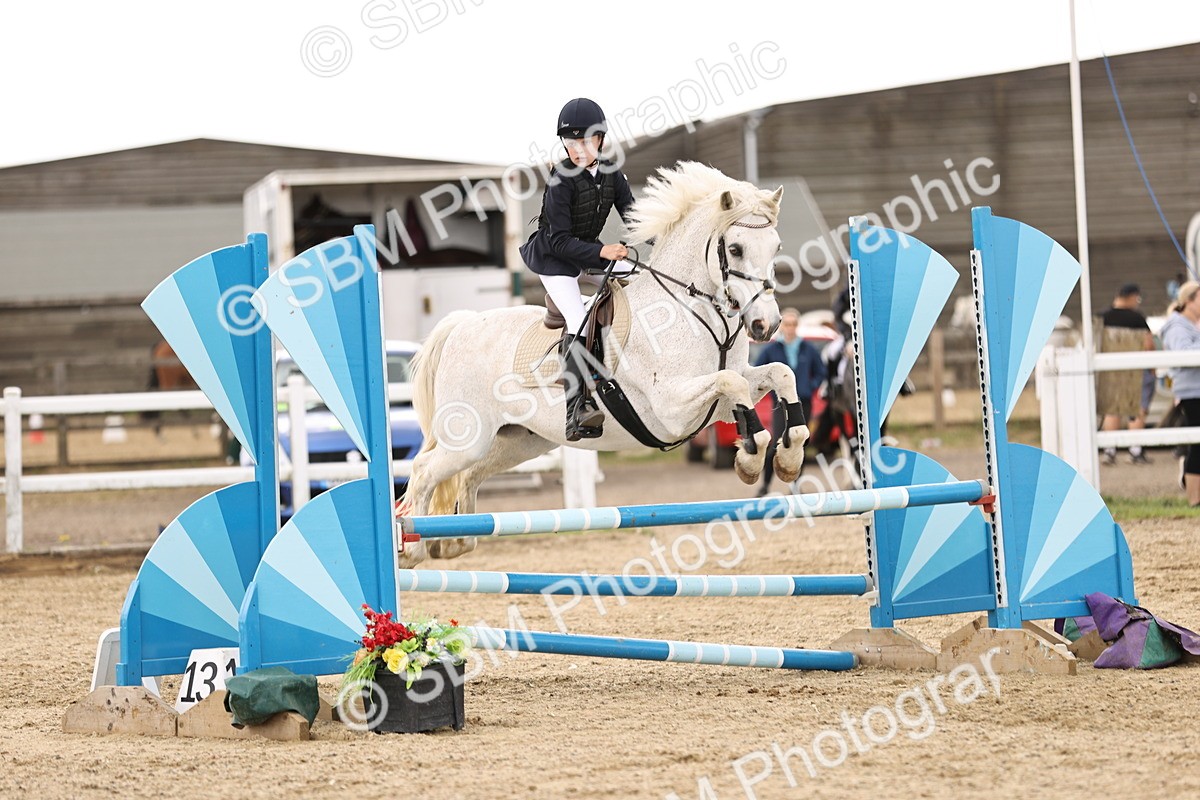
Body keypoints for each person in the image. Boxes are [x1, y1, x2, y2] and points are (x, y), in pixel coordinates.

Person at [519, 97, 636, 441]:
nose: (577, 149)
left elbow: (634, 217)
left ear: (599, 140)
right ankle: (576, 410)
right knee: (578, 319)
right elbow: (558, 242)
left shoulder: (612, 173)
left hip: (586, 256)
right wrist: (603, 251)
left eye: (584, 141)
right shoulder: (561, 180)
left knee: (640, 278)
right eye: (570, 143)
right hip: (555, 260)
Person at [754, 309, 827, 496]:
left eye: (794, 324)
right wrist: (770, 389)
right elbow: (758, 372)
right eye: (787, 324)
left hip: (804, 403)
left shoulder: (808, 348)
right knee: (777, 443)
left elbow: (821, 372)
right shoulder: (771, 349)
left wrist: (810, 386)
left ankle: (795, 486)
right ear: (781, 326)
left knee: (799, 444)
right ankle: (765, 486)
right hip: (780, 404)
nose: (790, 328)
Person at [1097, 283, 1154, 465]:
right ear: (1132, 296)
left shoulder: (1102, 317)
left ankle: (1110, 450)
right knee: (1136, 409)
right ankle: (1135, 450)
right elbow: (1148, 344)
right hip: (1135, 370)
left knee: (1112, 409)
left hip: (1110, 370)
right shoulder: (1137, 318)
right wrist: (1153, 366)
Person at [1160, 281, 1200, 507]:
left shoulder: (1192, 325)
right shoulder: (1177, 327)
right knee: (1197, 444)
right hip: (1191, 392)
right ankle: (1194, 498)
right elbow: (1182, 354)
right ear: (1189, 301)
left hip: (1196, 390)